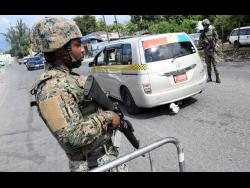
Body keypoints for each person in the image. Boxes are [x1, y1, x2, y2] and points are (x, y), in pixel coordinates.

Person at [30, 17, 127, 172]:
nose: (83, 49)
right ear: (61, 50)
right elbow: (72, 136)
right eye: (77, 44)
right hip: (92, 165)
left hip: (105, 159)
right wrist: (108, 117)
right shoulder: (51, 89)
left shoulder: (69, 79)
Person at [199, 19, 221, 83]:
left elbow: (217, 39)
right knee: (208, 65)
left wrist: (216, 44)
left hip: (213, 51)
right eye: (203, 25)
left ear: (208, 25)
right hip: (206, 51)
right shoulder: (202, 33)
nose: (204, 26)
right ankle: (209, 77)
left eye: (205, 25)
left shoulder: (213, 31)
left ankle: (217, 77)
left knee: (215, 65)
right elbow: (199, 43)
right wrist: (203, 41)